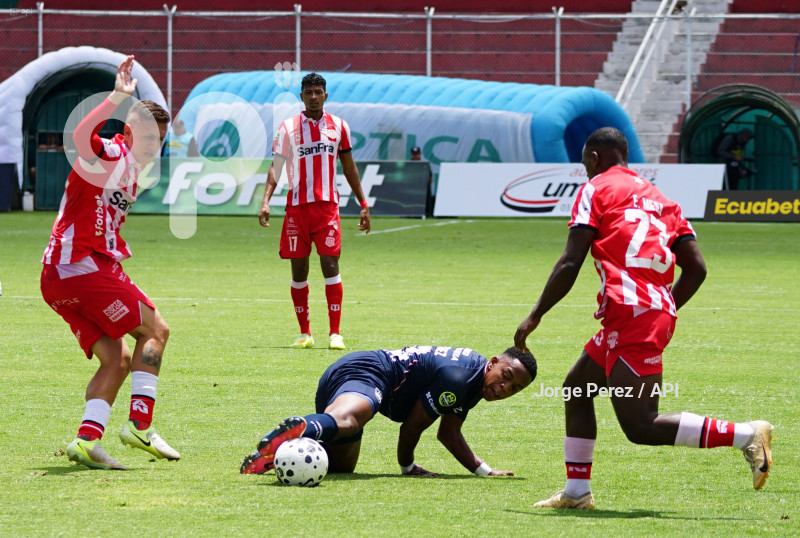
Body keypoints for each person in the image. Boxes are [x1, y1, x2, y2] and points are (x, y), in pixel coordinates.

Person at [514, 127, 773, 509]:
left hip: (634, 315)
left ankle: (746, 434)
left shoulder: (596, 188)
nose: (585, 171)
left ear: (595, 157)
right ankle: (576, 493)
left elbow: (571, 260)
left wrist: (535, 315)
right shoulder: (664, 201)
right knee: (577, 389)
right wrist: (661, 307)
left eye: (586, 163)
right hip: (638, 313)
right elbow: (697, 269)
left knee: (641, 425)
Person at [40, 55, 180, 470]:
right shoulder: (109, 155)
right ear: (128, 131)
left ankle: (86, 441)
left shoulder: (133, 169)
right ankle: (140, 424)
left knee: (117, 358)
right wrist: (118, 98)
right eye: (149, 136)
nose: (155, 145)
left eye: (161, 138)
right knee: (156, 329)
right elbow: (81, 135)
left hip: (62, 277)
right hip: (79, 267)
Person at [241, 345, 537, 476]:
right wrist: (407, 467)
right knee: (349, 421)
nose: (503, 389)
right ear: (495, 361)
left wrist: (485, 472)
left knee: (341, 467)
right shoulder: (460, 378)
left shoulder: (474, 380)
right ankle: (301, 427)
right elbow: (411, 427)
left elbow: (449, 433)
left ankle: (274, 457)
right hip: (367, 373)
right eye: (506, 376)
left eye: (514, 389)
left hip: (356, 376)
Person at [258, 72, 371, 351]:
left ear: (325, 95)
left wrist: (363, 203)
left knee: (330, 265)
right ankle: (304, 333)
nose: (313, 97)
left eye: (317, 92)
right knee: (299, 270)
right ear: (301, 96)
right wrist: (265, 200)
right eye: (308, 92)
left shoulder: (339, 127)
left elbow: (349, 166)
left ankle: (335, 333)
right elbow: (276, 165)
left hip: (327, 208)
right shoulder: (288, 128)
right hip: (296, 209)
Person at [411, 145, 435, 217]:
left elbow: (431, 179)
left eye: (417, 154)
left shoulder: (425, 164)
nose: (415, 156)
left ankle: (428, 212)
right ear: (411, 155)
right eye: (414, 154)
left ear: (420, 154)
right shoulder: (409, 164)